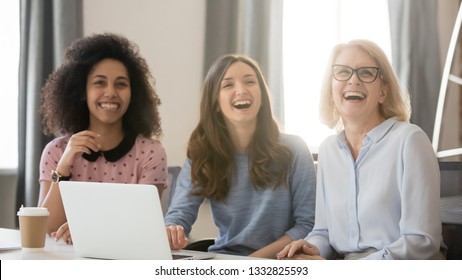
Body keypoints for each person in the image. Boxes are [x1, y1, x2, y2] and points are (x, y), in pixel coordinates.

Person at [277, 39, 443, 260]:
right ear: (331, 90)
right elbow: (324, 232)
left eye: (366, 73)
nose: (353, 80)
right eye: (343, 72)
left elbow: (421, 242)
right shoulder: (328, 150)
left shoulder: (410, 140)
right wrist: (309, 248)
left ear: (383, 92)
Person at [164, 54, 316, 259]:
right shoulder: (203, 153)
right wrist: (173, 230)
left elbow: (307, 224)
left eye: (250, 81)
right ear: (216, 102)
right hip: (224, 260)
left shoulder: (294, 148)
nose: (241, 90)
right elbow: (179, 215)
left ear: (262, 96)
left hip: (279, 261)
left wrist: (250, 262)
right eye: (228, 85)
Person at [38, 33, 168, 244]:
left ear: (133, 94)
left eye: (121, 84)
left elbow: (143, 227)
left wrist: (88, 229)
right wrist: (63, 169)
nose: (110, 92)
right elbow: (46, 229)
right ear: (82, 91)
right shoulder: (56, 151)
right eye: (99, 83)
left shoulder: (151, 153)